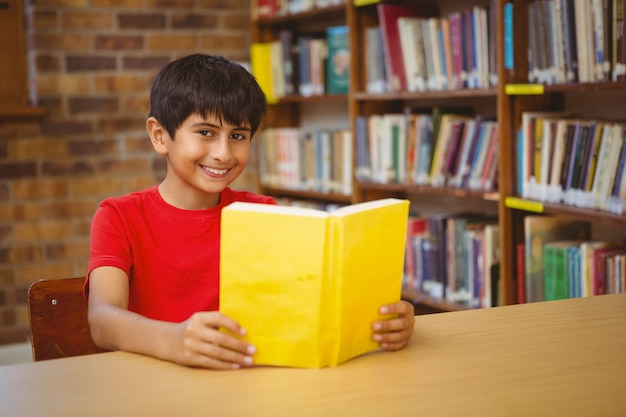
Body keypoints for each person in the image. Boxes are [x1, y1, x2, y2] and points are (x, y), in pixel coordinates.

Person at [86, 53, 415, 370]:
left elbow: (297, 308)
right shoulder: (119, 216)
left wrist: (386, 318)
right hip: (154, 384)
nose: (223, 153)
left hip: (246, 378)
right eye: (206, 133)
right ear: (160, 136)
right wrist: (173, 341)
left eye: (238, 136)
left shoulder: (263, 213)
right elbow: (102, 320)